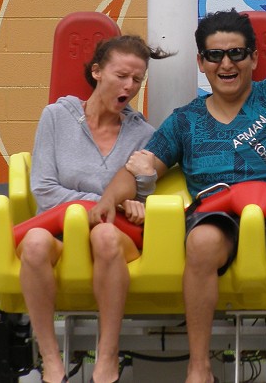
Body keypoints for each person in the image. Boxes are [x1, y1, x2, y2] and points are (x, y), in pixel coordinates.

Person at [90, 0, 266, 383]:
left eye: (237, 53)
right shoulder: (185, 121)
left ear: (254, 58)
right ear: (202, 63)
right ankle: (199, 369)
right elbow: (139, 168)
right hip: (216, 215)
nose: (227, 64)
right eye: (215, 55)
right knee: (198, 244)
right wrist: (109, 198)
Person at [19, 35, 171, 383]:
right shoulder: (56, 117)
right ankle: (50, 359)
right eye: (121, 76)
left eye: (137, 80)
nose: (129, 86)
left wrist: (135, 203)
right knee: (34, 244)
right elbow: (44, 190)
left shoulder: (143, 133)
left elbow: (145, 195)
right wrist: (103, 203)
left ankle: (108, 356)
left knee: (104, 234)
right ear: (97, 72)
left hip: (115, 238)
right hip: (61, 233)